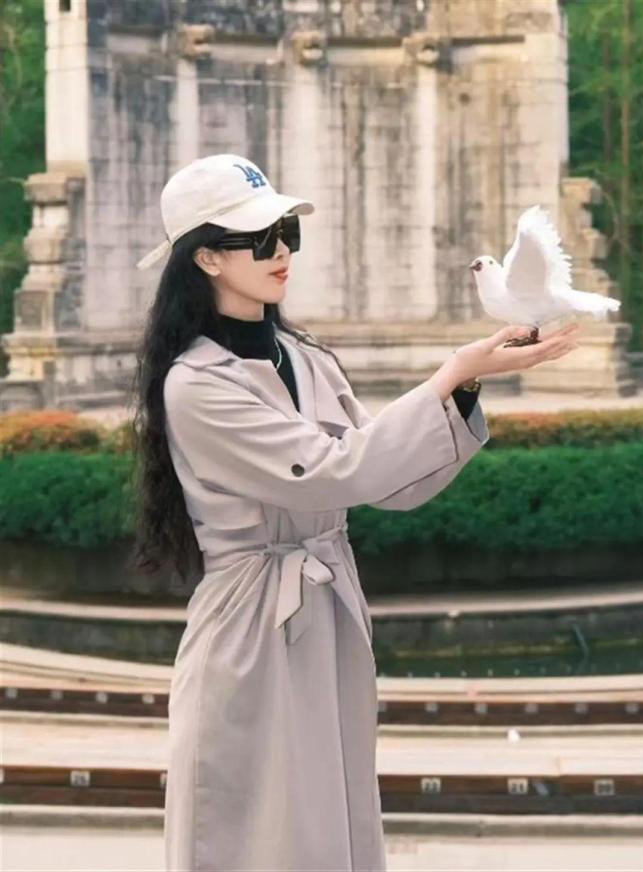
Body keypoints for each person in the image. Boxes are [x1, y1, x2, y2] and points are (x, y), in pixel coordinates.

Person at [129, 154, 581, 872]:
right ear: (206, 257)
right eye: (260, 239)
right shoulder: (196, 384)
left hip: (331, 611)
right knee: (256, 829)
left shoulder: (304, 357)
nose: (282, 252)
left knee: (332, 824)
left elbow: (388, 481)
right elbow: (335, 470)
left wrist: (463, 391)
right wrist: (453, 372)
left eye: (288, 233)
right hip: (252, 628)